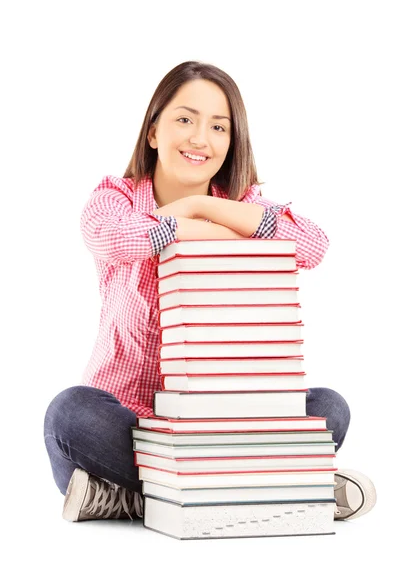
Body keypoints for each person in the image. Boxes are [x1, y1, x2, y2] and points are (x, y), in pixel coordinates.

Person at [44, 60, 376, 523]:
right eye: (184, 119)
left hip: (225, 424)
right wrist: (204, 228)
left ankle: (138, 498)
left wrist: (201, 206)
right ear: (153, 131)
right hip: (129, 422)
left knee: (328, 408)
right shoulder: (116, 197)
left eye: (218, 127)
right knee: (70, 413)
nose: (200, 138)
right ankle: (282, 489)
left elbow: (313, 246)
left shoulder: (239, 203)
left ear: (230, 142)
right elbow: (113, 236)